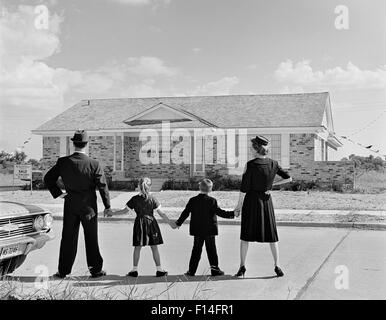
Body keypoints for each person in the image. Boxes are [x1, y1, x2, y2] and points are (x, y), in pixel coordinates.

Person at [44, 130, 112, 279]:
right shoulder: (94, 164)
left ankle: (63, 271)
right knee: (91, 238)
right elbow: (102, 186)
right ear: (87, 144)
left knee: (68, 238)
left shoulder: (63, 162)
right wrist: (107, 206)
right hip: (89, 207)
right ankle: (95, 270)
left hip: (70, 205)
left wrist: (58, 193)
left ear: (73, 143)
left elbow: (48, 178)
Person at [234, 135, 292, 278]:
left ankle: (242, 267)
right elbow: (289, 178)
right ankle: (277, 266)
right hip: (266, 202)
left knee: (245, 237)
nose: (249, 149)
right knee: (272, 236)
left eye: (251, 147)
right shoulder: (274, 164)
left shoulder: (250, 165)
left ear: (256, 149)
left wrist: (238, 207)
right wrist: (272, 185)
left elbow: (244, 188)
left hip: (251, 202)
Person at [113, 177, 174, 277]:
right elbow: (162, 214)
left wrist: (112, 213)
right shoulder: (153, 198)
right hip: (151, 223)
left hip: (139, 224)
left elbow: (124, 211)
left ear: (139, 186)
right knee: (154, 247)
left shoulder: (135, 199)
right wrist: (171, 223)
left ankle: (134, 270)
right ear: (149, 187)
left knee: (137, 247)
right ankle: (159, 270)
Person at [173, 179, 234, 277]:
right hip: (210, 230)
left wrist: (178, 223)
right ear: (210, 189)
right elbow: (220, 212)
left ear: (199, 187)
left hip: (197, 230)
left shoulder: (193, 200)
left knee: (196, 250)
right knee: (211, 251)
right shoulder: (212, 201)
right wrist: (232, 214)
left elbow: (185, 213)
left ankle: (191, 271)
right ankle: (215, 270)